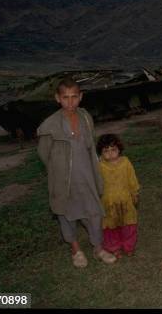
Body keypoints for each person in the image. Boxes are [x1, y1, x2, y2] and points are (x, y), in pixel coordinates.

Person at [37, 77, 116, 268]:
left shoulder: (85, 117)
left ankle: (98, 248)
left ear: (80, 97)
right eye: (65, 97)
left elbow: (90, 145)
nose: (70, 102)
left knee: (94, 212)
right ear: (58, 98)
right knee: (66, 214)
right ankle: (76, 250)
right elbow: (43, 154)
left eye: (74, 97)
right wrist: (59, 170)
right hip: (64, 180)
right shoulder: (50, 126)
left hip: (87, 175)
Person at [96, 134, 140, 259]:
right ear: (101, 153)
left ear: (119, 149)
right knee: (111, 227)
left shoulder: (125, 162)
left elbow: (132, 179)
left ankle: (128, 246)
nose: (110, 153)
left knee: (128, 226)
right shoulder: (99, 166)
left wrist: (135, 193)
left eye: (113, 149)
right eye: (106, 151)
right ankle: (114, 247)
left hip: (125, 201)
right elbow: (97, 184)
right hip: (108, 202)